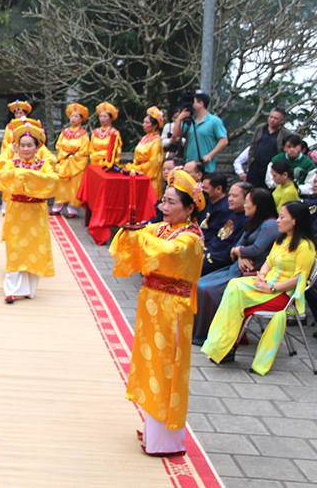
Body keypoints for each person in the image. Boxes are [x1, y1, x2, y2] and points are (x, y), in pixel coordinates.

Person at [110, 169, 205, 456]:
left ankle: (166, 439)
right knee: (150, 364)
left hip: (172, 309)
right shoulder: (163, 229)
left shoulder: (190, 238)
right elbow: (140, 239)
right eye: (163, 201)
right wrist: (132, 233)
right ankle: (154, 429)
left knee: (167, 369)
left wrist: (139, 237)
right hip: (152, 304)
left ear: (190, 208)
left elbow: (165, 254)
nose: (164, 207)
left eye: (172, 202)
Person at [202, 201, 316, 375]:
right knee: (234, 286)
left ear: (295, 221)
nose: (278, 220)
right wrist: (261, 276)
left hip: (283, 293)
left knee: (237, 295)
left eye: (282, 216)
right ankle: (224, 345)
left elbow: (300, 278)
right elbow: (268, 262)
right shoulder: (282, 239)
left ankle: (225, 346)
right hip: (266, 285)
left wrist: (272, 288)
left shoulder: (305, 246)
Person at [192, 187, 279, 345]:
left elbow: (256, 248)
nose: (245, 205)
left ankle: (208, 334)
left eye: (247, 202)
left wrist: (239, 251)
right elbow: (240, 244)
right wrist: (239, 252)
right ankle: (198, 331)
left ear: (257, 206)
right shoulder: (254, 221)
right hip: (237, 267)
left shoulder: (270, 225)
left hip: (251, 273)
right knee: (199, 284)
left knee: (208, 290)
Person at [0, 123, 59, 302]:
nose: (26, 149)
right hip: (16, 211)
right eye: (22, 145)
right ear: (17, 147)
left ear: (37, 147)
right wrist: (27, 178)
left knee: (34, 248)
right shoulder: (10, 163)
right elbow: (1, 179)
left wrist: (25, 176)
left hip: (36, 212)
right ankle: (10, 290)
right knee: (15, 248)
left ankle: (29, 289)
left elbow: (52, 181)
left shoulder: (44, 165)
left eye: (30, 145)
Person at [201, 179, 248, 276]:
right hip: (209, 252)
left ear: (247, 199)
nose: (230, 199)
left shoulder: (246, 220)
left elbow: (229, 252)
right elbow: (217, 237)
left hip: (218, 262)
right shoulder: (232, 214)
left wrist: (206, 256)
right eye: (229, 195)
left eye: (235, 196)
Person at [174, 92, 228, 174]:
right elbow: (176, 134)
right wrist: (179, 119)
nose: (191, 104)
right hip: (188, 166)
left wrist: (210, 155)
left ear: (200, 104)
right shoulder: (189, 121)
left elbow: (224, 140)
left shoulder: (214, 121)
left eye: (193, 102)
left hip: (205, 166)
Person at [51, 103, 90, 217]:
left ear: (81, 119)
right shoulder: (64, 132)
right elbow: (59, 146)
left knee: (75, 186)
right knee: (61, 185)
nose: (73, 119)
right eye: (72, 116)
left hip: (76, 163)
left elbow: (84, 150)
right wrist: (64, 155)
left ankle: (72, 209)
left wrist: (73, 156)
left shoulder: (83, 134)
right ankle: (57, 207)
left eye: (76, 117)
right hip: (65, 161)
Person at [125, 106, 166, 199]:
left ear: (155, 125)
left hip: (149, 177)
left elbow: (153, 164)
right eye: (144, 122)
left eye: (147, 122)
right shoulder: (145, 138)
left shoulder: (156, 142)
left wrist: (136, 168)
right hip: (139, 173)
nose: (144, 124)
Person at [243, 107, 290, 186]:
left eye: (275, 118)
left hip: (271, 170)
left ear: (282, 121)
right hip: (255, 167)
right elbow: (253, 145)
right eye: (271, 117)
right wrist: (251, 161)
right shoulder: (261, 128)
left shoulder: (285, 134)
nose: (272, 120)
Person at [89, 102, 122, 169]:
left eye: (105, 116)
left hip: (107, 165)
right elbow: (91, 149)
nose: (102, 119)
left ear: (110, 118)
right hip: (95, 163)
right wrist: (102, 154)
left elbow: (116, 152)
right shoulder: (95, 132)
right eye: (100, 116)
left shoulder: (114, 133)